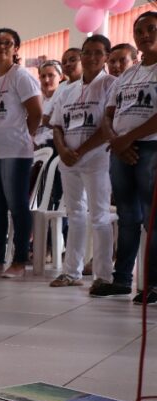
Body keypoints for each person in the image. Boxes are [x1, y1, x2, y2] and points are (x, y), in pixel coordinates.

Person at [96, 11, 157, 304]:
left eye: (151, 29)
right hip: (120, 150)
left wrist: (128, 139)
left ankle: (154, 285)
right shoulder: (128, 75)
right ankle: (122, 281)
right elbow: (108, 114)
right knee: (127, 217)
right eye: (139, 31)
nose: (145, 35)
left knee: (153, 218)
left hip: (150, 149)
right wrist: (116, 141)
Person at [0, 28, 42, 278]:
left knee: (17, 206)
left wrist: (27, 137)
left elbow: (35, 112)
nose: (2, 46)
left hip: (16, 150)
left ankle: (20, 261)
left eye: (8, 43)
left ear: (16, 49)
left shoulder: (21, 77)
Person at [50, 34, 115, 291]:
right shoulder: (68, 89)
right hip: (68, 160)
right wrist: (64, 150)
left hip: (97, 159)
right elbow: (56, 125)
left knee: (99, 216)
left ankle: (103, 276)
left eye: (98, 53)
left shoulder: (111, 84)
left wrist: (80, 150)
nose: (91, 58)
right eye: (86, 53)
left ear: (106, 57)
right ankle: (71, 271)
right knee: (74, 214)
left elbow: (107, 125)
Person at [35, 60, 65, 148]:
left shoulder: (64, 97)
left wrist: (36, 142)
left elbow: (60, 128)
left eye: (51, 75)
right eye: (43, 76)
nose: (46, 80)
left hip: (54, 146)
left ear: (61, 77)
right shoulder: (37, 99)